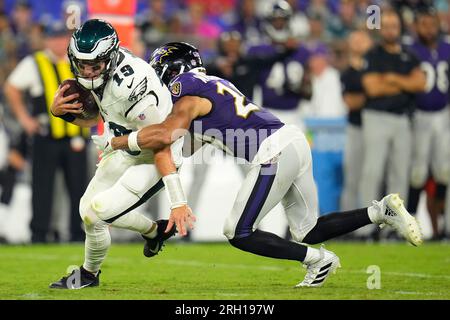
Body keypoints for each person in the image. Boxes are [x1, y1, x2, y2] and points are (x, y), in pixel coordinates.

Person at [109, 42, 423, 287]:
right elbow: (175, 149)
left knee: (238, 231)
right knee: (308, 229)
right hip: (292, 140)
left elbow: (165, 133)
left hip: (273, 150)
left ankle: (317, 260)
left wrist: (120, 141)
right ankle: (380, 211)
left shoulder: (185, 90)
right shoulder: (209, 88)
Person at [48, 19, 191, 289]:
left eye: (95, 66)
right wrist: (60, 113)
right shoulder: (103, 71)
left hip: (156, 154)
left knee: (98, 213)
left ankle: (89, 275)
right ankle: (155, 231)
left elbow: (159, 140)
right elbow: (96, 118)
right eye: (83, 65)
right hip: (124, 143)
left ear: (111, 58)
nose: (88, 73)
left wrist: (177, 200)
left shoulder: (133, 84)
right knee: (87, 212)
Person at [4, 21, 90, 243]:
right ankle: (39, 233)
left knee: (79, 188)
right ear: (47, 40)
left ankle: (77, 233)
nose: (60, 42)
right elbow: (11, 88)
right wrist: (24, 119)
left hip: (76, 136)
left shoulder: (77, 62)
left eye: (63, 38)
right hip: (46, 137)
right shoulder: (35, 61)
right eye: (55, 38)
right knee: (42, 187)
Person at [360, 10, 426, 209]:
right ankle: (365, 228)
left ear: (400, 28)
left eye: (394, 26)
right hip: (376, 117)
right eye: (386, 26)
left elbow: (420, 83)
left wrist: (392, 78)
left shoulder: (409, 55)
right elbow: (372, 88)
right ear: (380, 29)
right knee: (373, 172)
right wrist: (405, 83)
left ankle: (396, 226)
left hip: (402, 119)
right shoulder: (373, 55)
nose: (390, 31)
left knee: (400, 173)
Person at [405, 7, 450, 239]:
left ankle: (442, 225)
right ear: (417, 26)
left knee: (444, 172)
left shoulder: (446, 48)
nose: (429, 29)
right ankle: (410, 220)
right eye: (424, 24)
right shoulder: (411, 50)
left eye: (432, 24)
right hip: (419, 115)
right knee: (417, 173)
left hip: (443, 115)